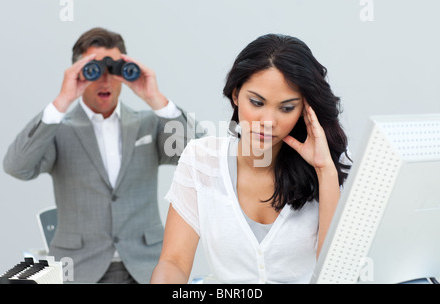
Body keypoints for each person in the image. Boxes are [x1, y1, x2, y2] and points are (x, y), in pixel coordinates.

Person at [3, 27, 201, 283]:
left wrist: (156, 100)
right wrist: (62, 101)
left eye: (114, 70)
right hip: (79, 270)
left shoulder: (148, 124)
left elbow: (200, 156)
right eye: (93, 70)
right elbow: (17, 166)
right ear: (78, 73)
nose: (104, 80)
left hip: (147, 268)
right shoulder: (58, 129)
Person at [150, 34, 352, 284]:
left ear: (304, 110)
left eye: (286, 108)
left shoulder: (333, 165)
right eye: (256, 103)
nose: (268, 121)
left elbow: (337, 274)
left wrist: (325, 171)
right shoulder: (201, 159)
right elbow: (174, 262)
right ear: (236, 95)